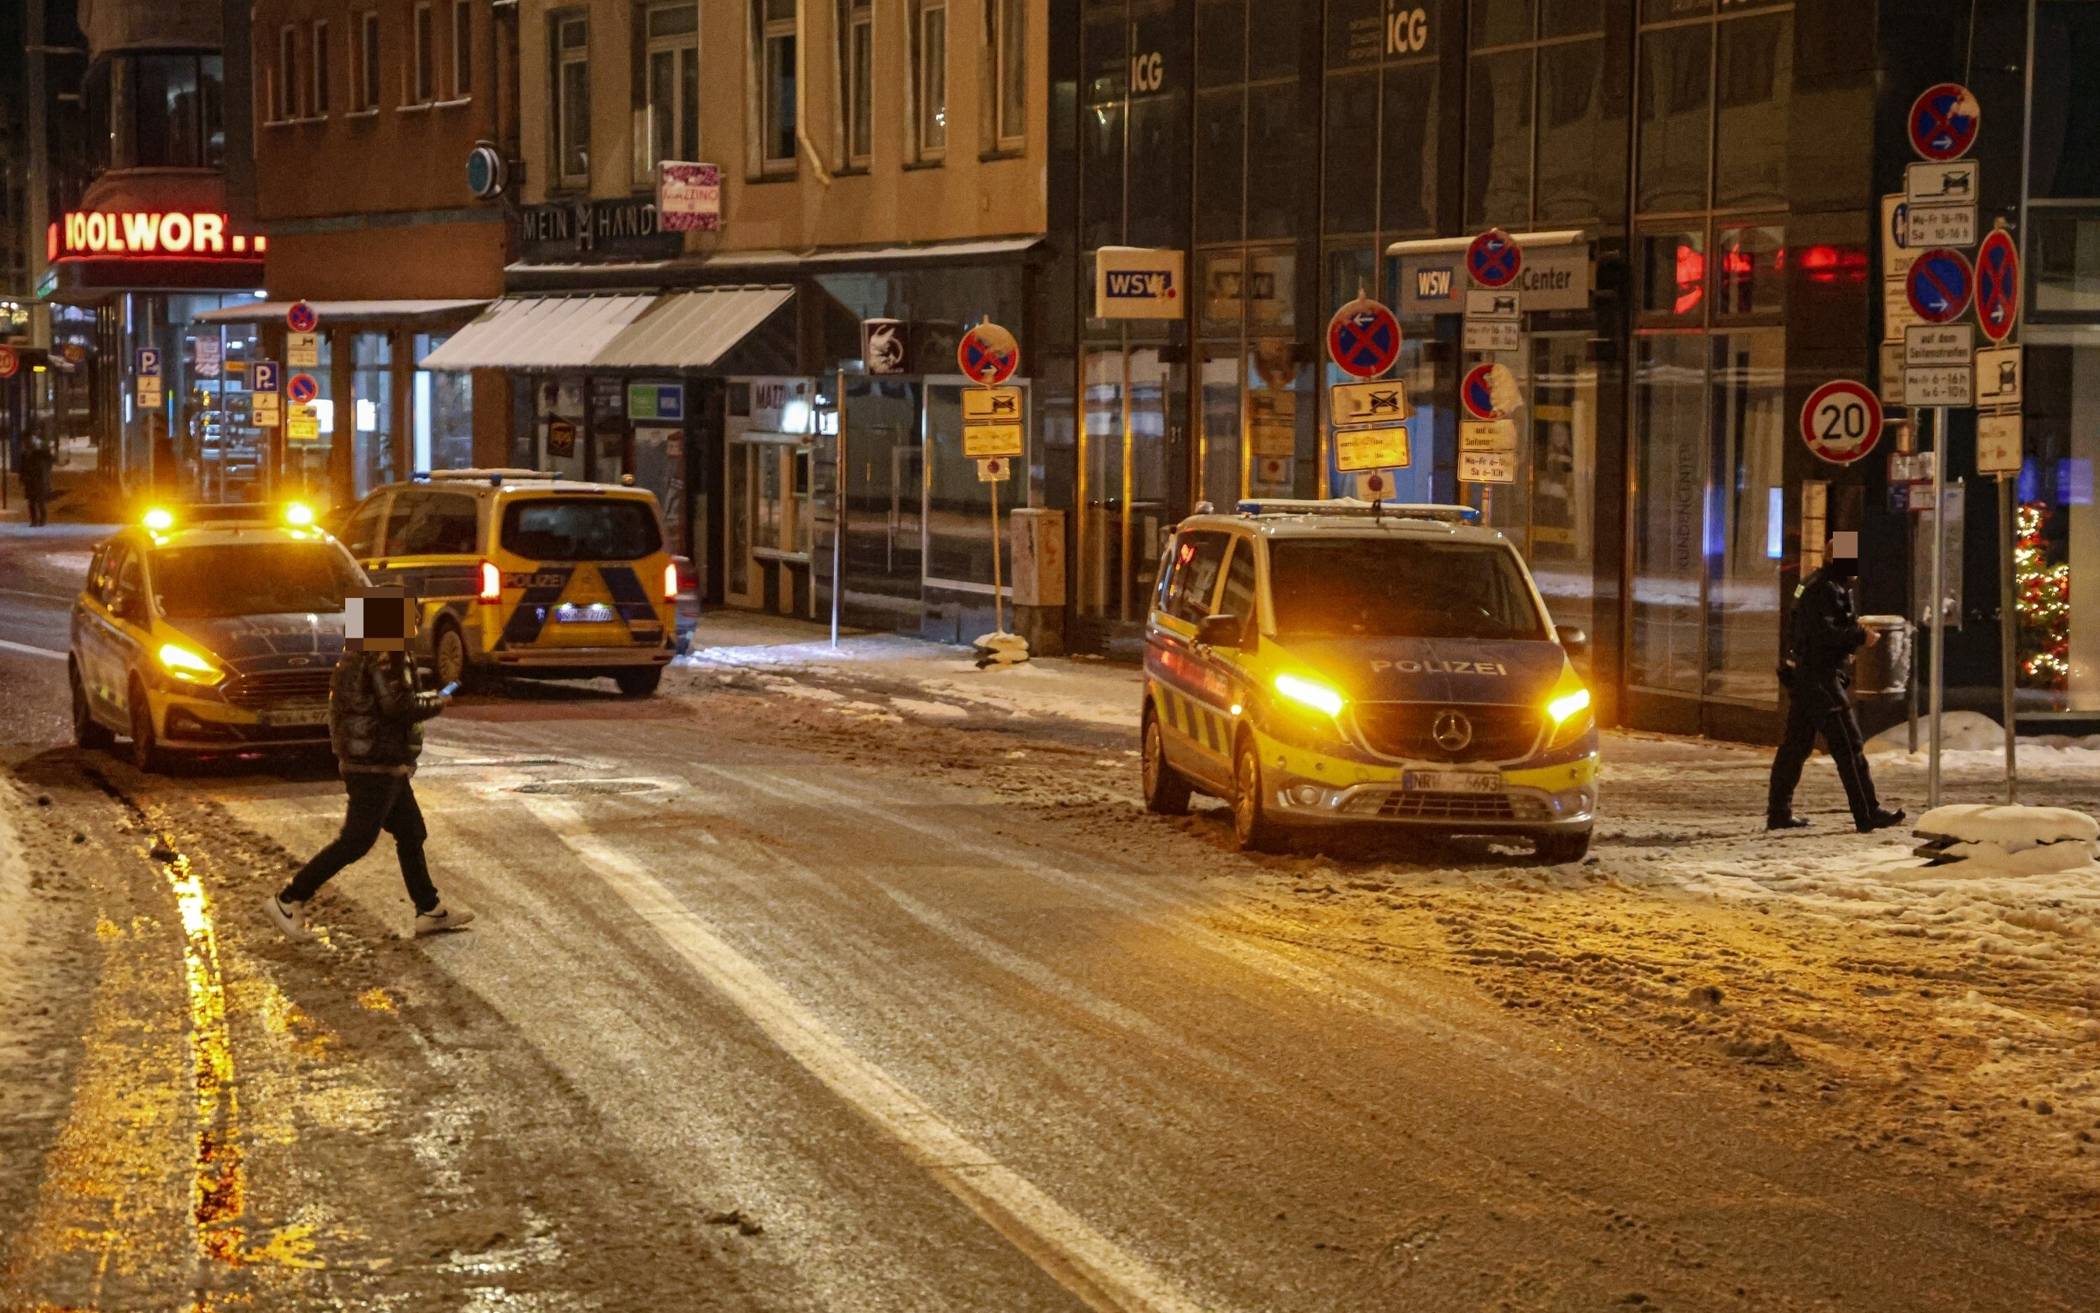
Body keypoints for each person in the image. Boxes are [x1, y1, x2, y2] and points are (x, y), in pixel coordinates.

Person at [266, 586, 475, 939]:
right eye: (410, 613)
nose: (416, 620)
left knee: (411, 832)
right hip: (376, 762)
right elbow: (399, 706)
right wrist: (439, 700)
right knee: (356, 841)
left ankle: (429, 909)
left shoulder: (358, 652)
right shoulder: (385, 653)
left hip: (373, 759)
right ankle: (290, 898)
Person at [1767, 532, 1906, 834]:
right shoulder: (1825, 589)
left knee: (1796, 746)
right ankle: (1867, 812)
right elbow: (1823, 634)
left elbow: (1814, 628)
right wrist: (1860, 637)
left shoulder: (1816, 584)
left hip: (1809, 676)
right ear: (1837, 558)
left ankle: (1778, 812)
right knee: (1849, 745)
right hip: (1820, 678)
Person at [20, 424, 54, 527]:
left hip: (38, 478)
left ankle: (42, 520)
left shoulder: (39, 450)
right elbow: (23, 466)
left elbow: (49, 458)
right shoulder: (25, 452)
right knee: (31, 501)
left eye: (28, 439)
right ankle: (34, 520)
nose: (26, 442)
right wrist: (22, 477)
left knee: (39, 500)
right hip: (30, 479)